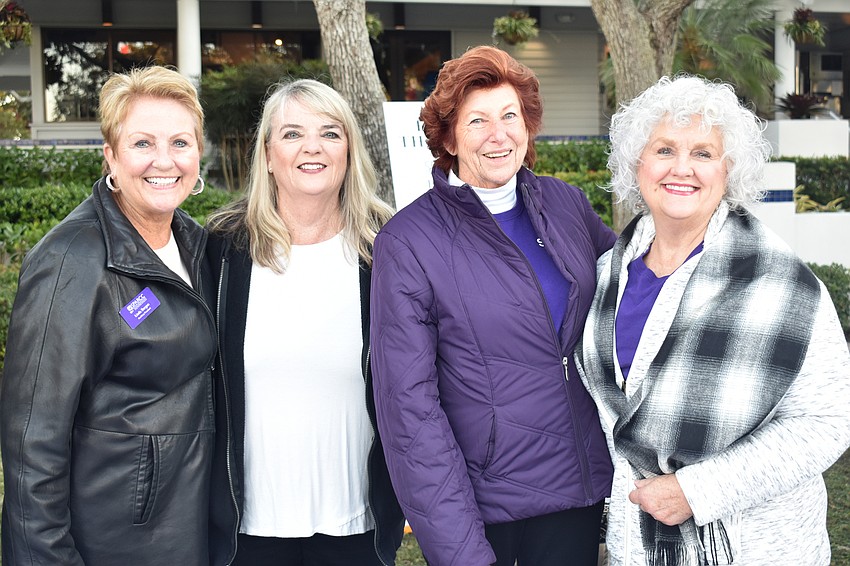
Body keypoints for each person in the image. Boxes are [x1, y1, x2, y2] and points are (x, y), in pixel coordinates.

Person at [575, 74, 850, 566]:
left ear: (729, 171)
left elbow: (829, 419)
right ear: (637, 164)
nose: (682, 168)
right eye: (664, 149)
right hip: (637, 544)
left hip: (755, 546)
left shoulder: (779, 282)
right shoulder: (604, 276)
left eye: (703, 153)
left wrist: (697, 490)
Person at [370, 45, 617, 566]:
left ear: (528, 125)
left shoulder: (565, 204)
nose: (498, 133)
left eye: (510, 115)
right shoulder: (410, 241)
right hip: (487, 510)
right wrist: (460, 550)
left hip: (578, 490)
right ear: (448, 137)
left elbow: (634, 287)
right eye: (477, 120)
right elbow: (409, 412)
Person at [0, 65, 216, 565]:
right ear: (111, 158)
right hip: (115, 545)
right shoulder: (71, 260)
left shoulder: (197, 244)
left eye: (180, 142)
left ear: (198, 154)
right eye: (142, 143)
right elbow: (33, 442)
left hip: (188, 533)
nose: (165, 160)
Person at [204, 78, 404, 566]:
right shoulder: (222, 249)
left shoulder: (391, 247)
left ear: (349, 151)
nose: (312, 147)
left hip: (358, 525)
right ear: (268, 154)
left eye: (330, 133)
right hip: (246, 529)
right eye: (292, 134)